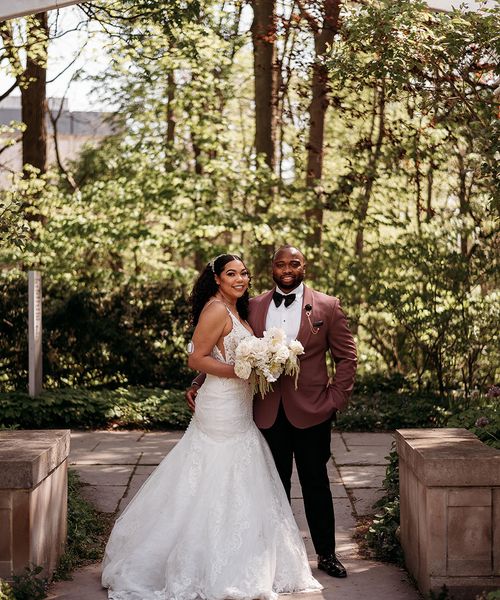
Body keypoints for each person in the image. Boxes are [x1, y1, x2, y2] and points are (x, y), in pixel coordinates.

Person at [102, 253, 322, 600]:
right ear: (216, 278)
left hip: (237, 404)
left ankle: (239, 553)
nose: (240, 279)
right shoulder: (216, 309)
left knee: (239, 471)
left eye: (244, 273)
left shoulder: (235, 310)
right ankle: (204, 557)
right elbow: (197, 356)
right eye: (231, 274)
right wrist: (237, 371)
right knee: (215, 469)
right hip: (220, 405)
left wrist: (235, 368)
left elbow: (211, 359)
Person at [187, 245, 357, 579]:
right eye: (281, 264)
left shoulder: (327, 306)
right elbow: (229, 347)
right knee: (270, 486)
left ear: (304, 265)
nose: (288, 268)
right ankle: (273, 556)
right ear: (272, 268)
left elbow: (347, 358)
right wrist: (199, 379)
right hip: (264, 411)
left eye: (294, 263)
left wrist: (334, 400)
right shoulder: (253, 304)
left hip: (313, 411)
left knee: (316, 483)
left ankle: (327, 553)